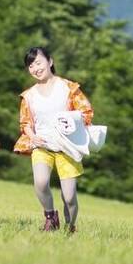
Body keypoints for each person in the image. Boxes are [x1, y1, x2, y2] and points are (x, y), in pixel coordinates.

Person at [14, 47, 94, 234]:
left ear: (50, 62)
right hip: (42, 145)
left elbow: (86, 112)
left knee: (70, 198)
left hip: (67, 147)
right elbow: (25, 122)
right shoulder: (29, 95)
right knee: (40, 182)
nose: (35, 68)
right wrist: (32, 137)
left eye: (38, 63)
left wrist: (72, 122)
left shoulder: (68, 88)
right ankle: (50, 217)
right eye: (31, 65)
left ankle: (70, 226)